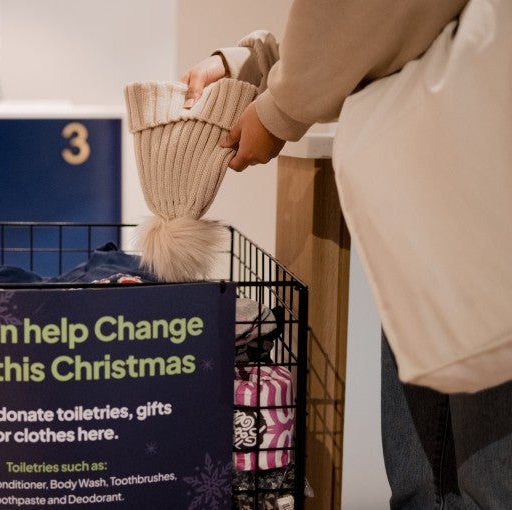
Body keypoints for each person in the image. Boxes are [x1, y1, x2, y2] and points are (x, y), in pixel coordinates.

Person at [179, 1, 512, 509]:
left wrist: (280, 106)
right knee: (438, 471)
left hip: (470, 172)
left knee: (478, 473)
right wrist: (256, 63)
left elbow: (363, 14)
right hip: (447, 173)